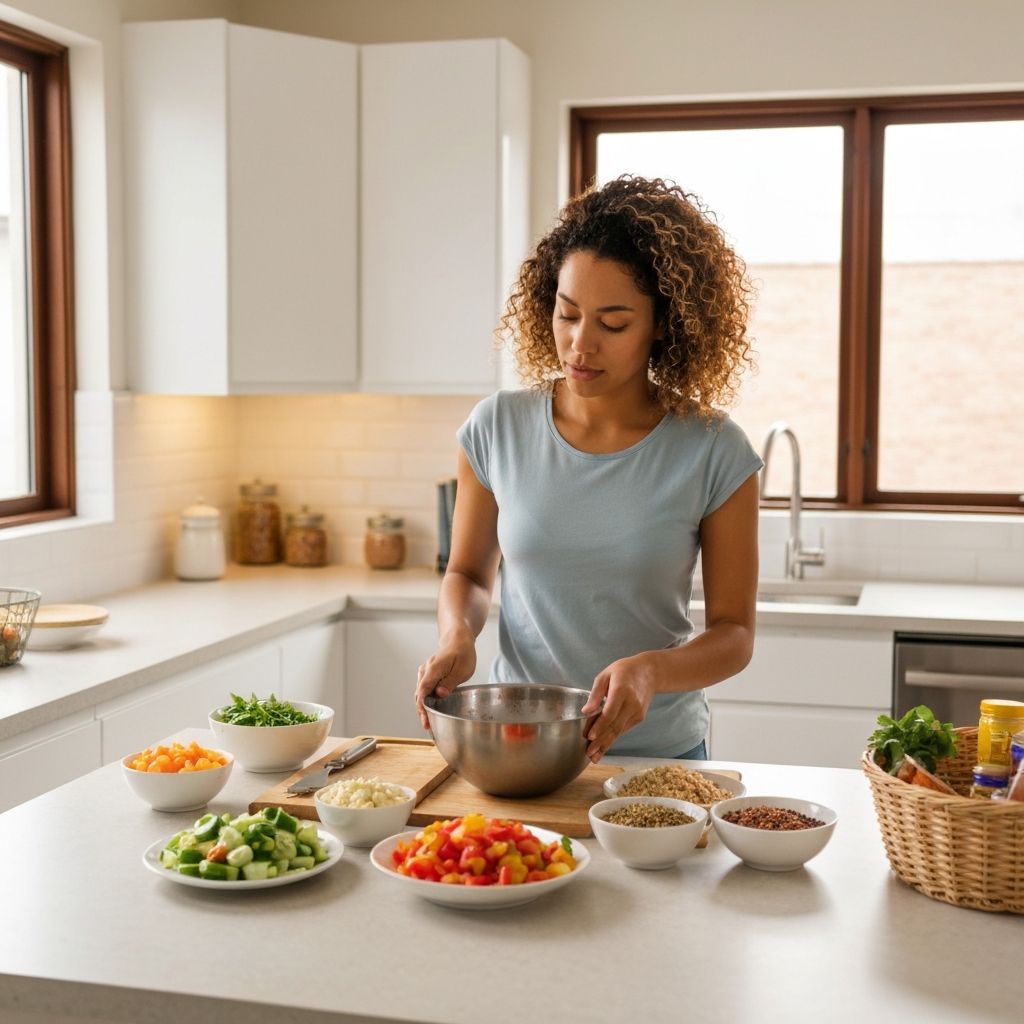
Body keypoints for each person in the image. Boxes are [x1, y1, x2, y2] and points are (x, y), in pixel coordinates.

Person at [415, 175, 762, 763]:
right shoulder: (496, 428)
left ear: (662, 324)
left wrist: (652, 671)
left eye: (614, 322)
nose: (580, 344)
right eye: (568, 313)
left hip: (658, 755)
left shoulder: (714, 450)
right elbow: (470, 575)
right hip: (520, 742)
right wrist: (458, 636)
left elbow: (734, 634)